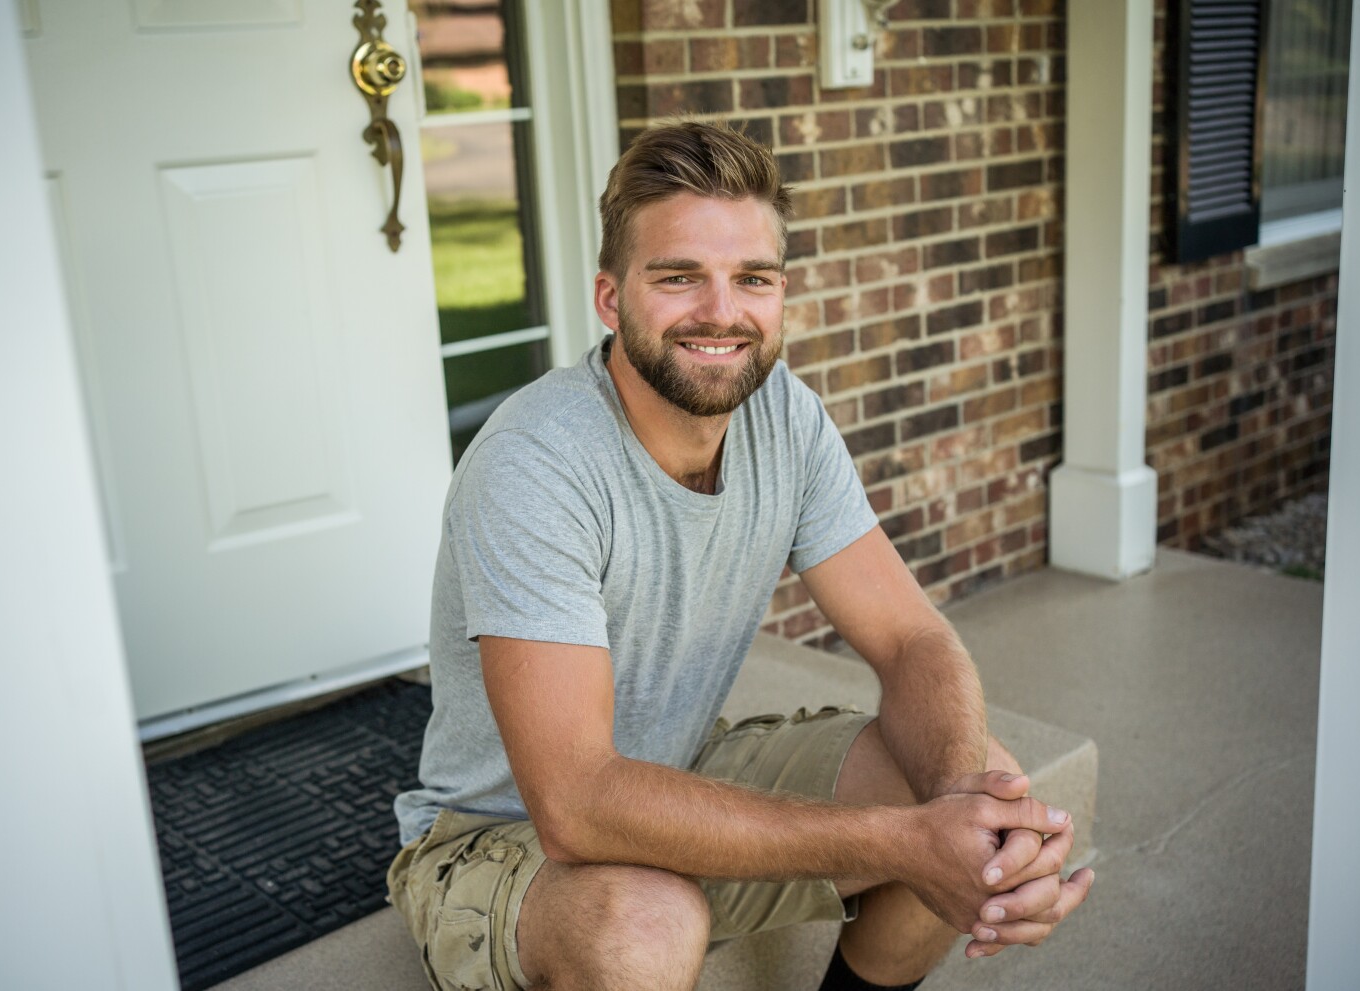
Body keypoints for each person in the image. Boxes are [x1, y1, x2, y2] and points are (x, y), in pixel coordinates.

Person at [388, 120, 1093, 991]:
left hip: (679, 769)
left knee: (980, 782)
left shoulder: (784, 416)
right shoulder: (535, 462)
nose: (721, 311)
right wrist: (902, 840)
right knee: (646, 922)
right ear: (611, 299)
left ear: (781, 292)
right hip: (498, 834)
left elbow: (912, 638)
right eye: (679, 277)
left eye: (751, 278)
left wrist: (962, 809)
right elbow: (573, 803)